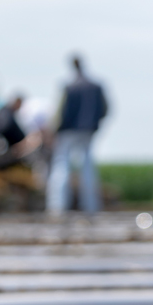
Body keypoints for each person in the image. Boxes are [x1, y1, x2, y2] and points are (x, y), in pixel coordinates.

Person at [46, 55, 108, 215]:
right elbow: (105, 108)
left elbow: (60, 112)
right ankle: (91, 206)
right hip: (88, 130)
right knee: (87, 166)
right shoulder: (96, 86)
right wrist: (95, 123)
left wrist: (54, 130)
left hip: (68, 131)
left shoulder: (69, 87)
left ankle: (57, 207)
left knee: (62, 165)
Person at [0, 95, 26, 169]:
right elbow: (6, 128)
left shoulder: (4, 111)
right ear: (16, 102)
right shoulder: (6, 113)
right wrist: (21, 138)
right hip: (1, 145)